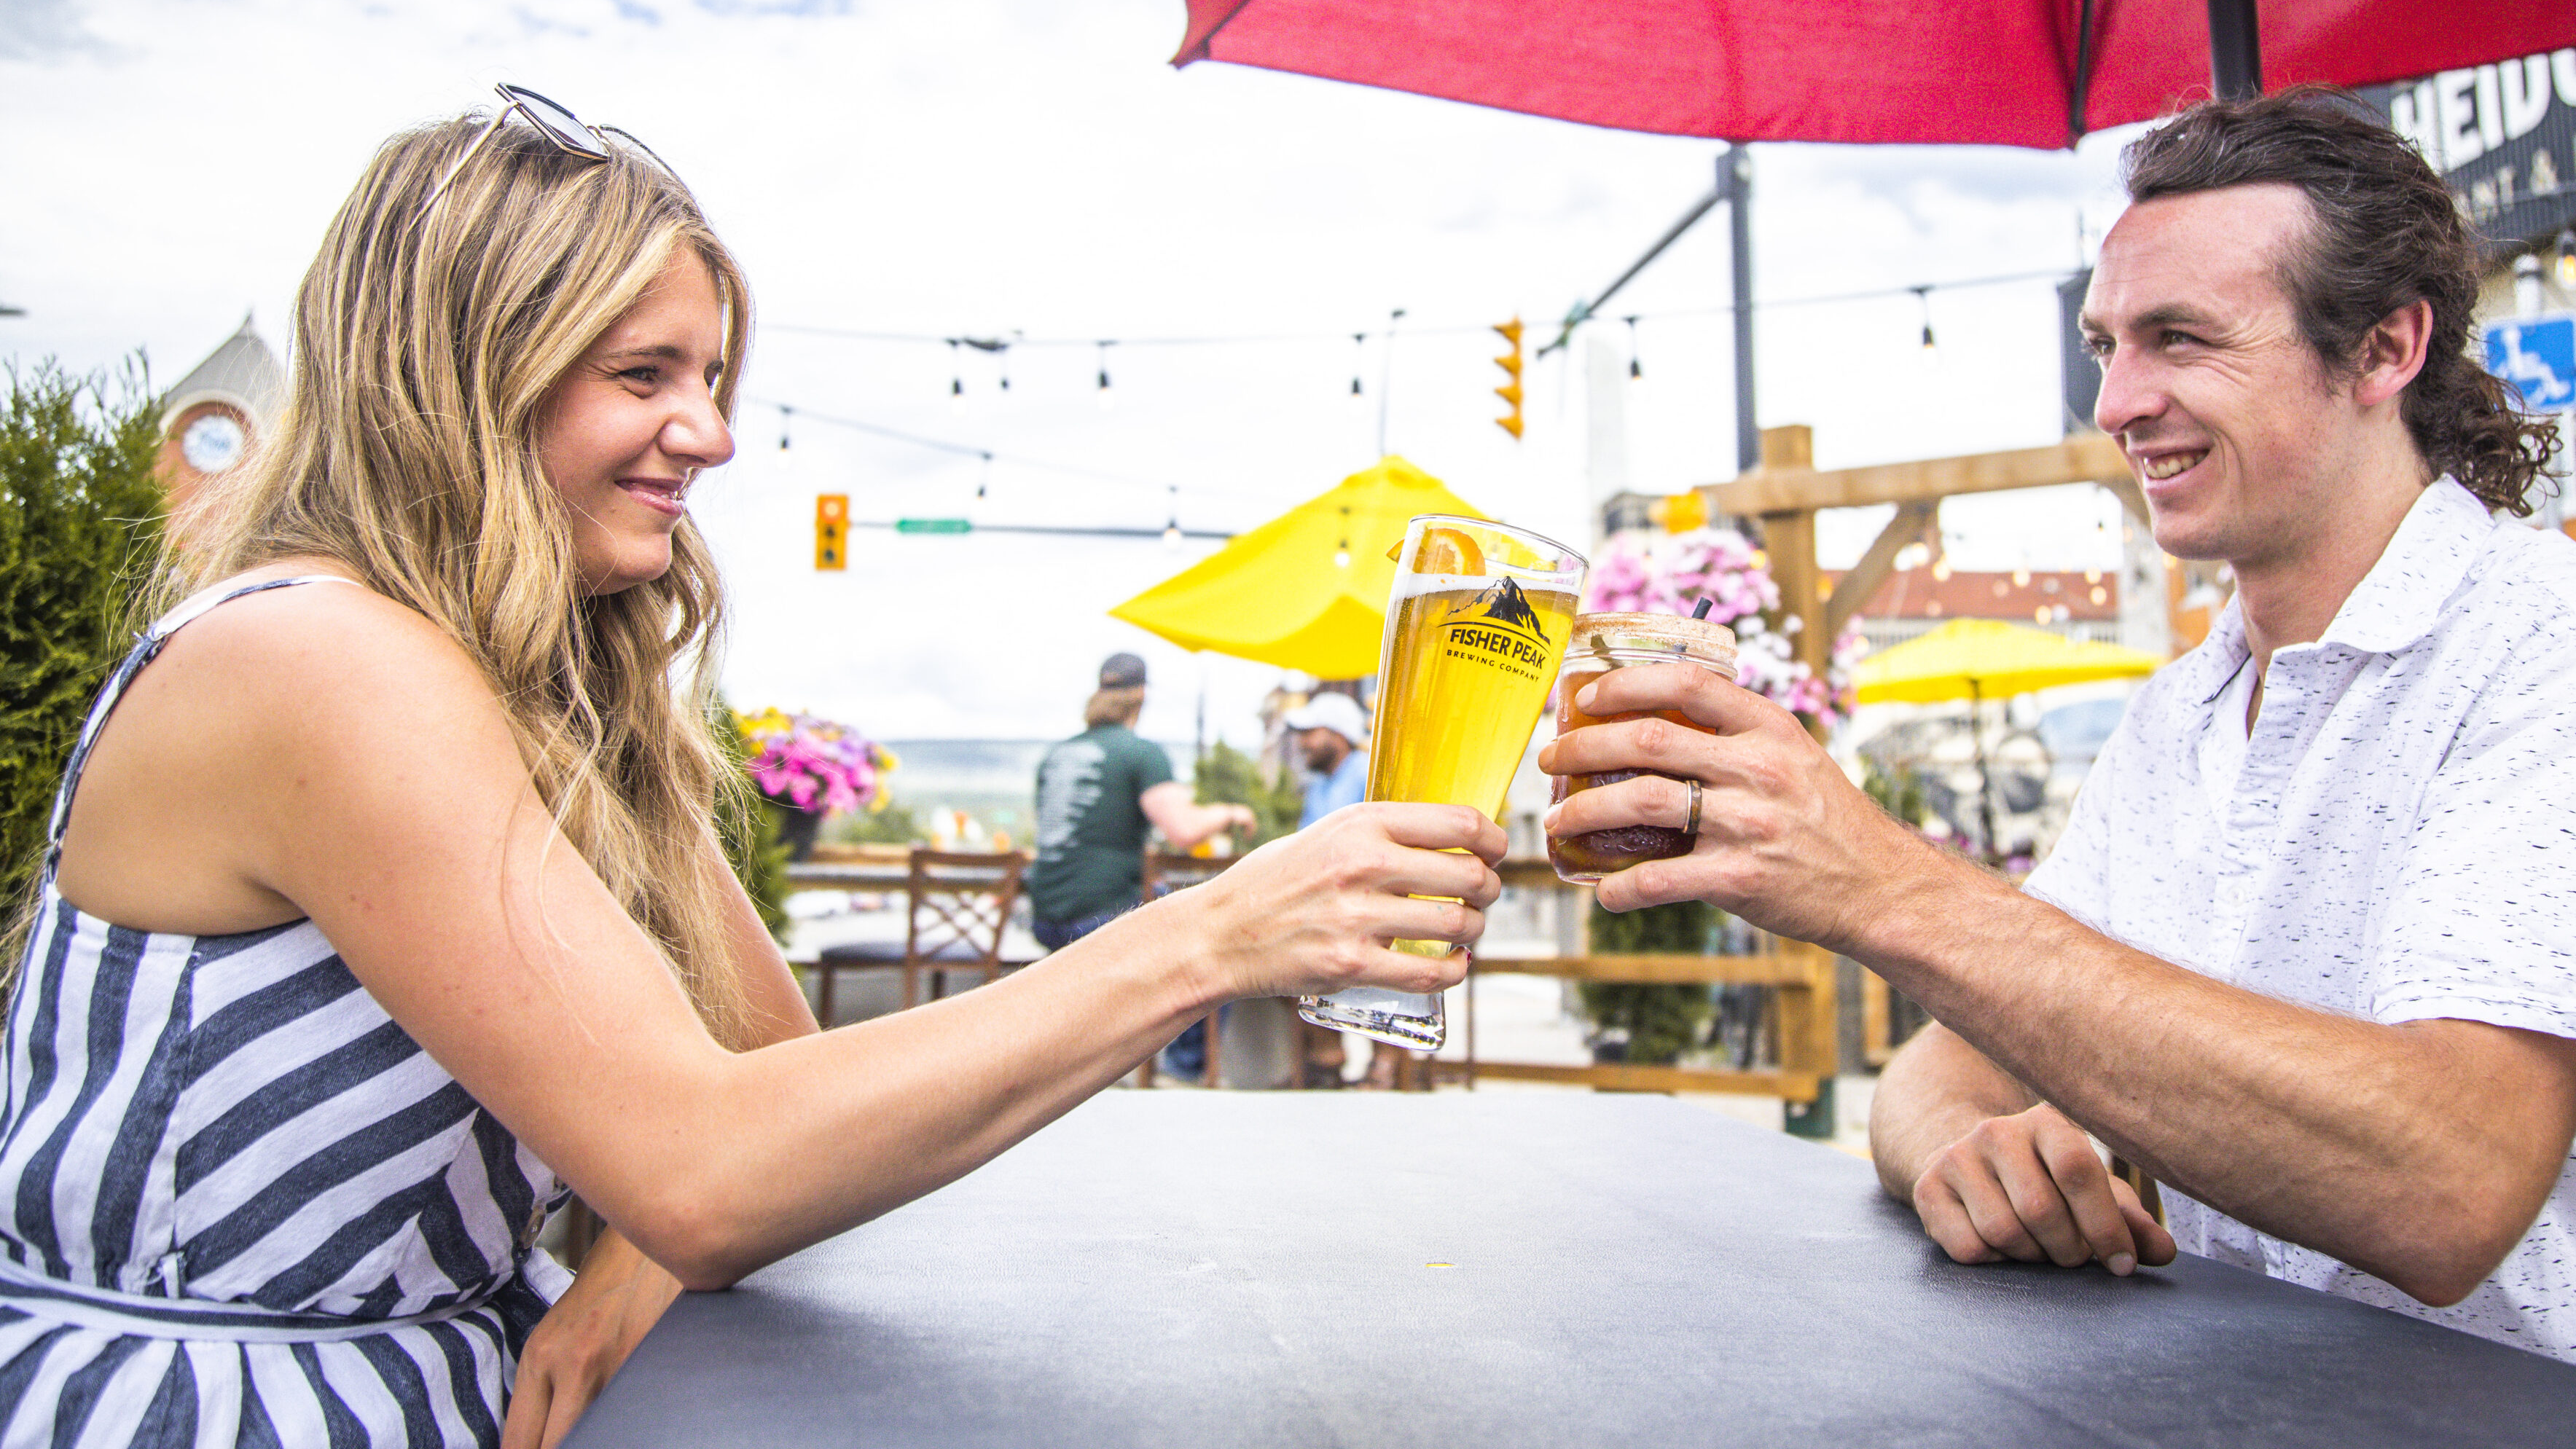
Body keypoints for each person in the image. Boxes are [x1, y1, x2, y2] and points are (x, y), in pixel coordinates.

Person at [0, 86, 1503, 1449]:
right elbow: (716, 1166)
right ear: (460, 375)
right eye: (644, 369)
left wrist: (639, 1247)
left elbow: (761, 1091)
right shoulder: (320, 658)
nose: (709, 432)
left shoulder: (522, 689)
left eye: (711, 373)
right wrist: (1210, 935)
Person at [1542, 89, 2576, 1425]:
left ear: (2384, 349)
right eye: (2107, 344)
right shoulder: (2186, 713)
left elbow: (2448, 1180)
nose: (2121, 401)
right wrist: (1975, 1153)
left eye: (2181, 340)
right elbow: (1947, 1067)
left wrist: (1879, 886)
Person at [1030, 653, 1256, 1080]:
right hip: (1099, 915)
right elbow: (1184, 829)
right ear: (1143, 696)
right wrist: (1231, 811)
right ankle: (1185, 1071)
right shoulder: (1141, 753)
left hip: (1045, 917)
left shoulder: (1056, 755)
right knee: (1223, 932)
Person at [1280, 691, 1373, 1084]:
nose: (1302, 743)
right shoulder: (1320, 786)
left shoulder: (1367, 773)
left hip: (1370, 904)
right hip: (1334, 903)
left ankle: (1369, 1067)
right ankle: (1326, 1060)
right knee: (1287, 952)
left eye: (1310, 732)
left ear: (1338, 733)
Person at [1285, 691, 1370, 829]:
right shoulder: (1318, 784)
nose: (1303, 743)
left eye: (1310, 733)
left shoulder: (1368, 777)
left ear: (1339, 736)